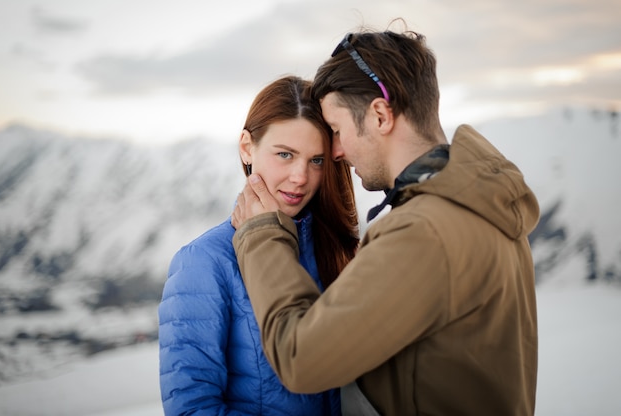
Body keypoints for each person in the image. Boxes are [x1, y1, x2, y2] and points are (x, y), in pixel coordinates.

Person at [231, 27, 540, 416]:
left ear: (379, 115)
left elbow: (299, 357)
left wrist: (261, 238)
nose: (337, 151)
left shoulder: (424, 231)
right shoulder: (484, 204)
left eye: (338, 130)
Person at [158, 75, 359, 415]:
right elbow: (192, 409)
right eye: (285, 154)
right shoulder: (203, 262)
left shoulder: (339, 249)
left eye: (316, 160)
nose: (300, 176)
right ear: (247, 148)